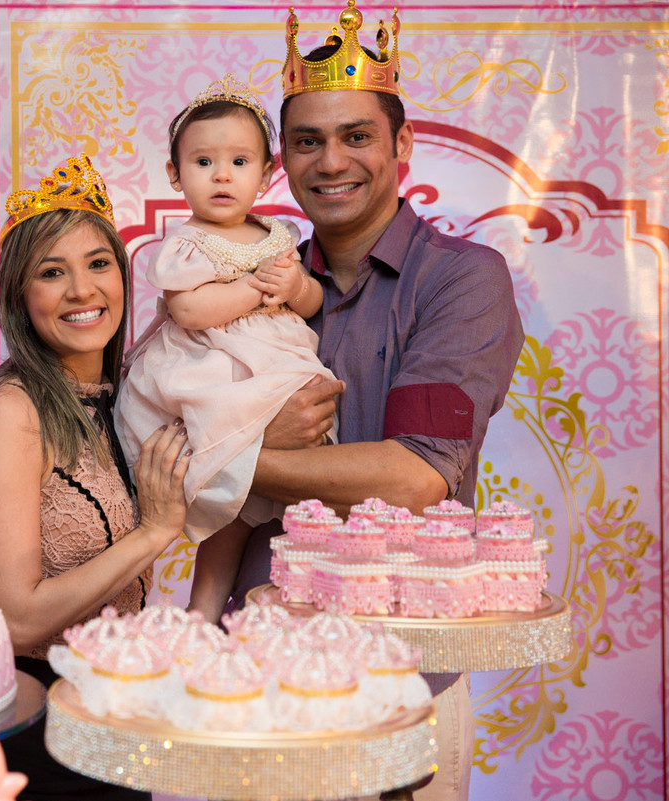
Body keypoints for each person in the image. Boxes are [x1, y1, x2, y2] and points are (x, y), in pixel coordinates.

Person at [231, 4, 525, 800]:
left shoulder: (462, 280)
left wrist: (236, 460)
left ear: (402, 144)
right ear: (282, 160)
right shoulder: (249, 290)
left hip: (404, 679)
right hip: (264, 668)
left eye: (356, 135)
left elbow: (415, 477)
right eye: (307, 141)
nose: (331, 161)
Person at [0, 154, 191, 800]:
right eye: (52, 272)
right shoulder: (10, 413)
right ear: (20, 298)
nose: (83, 290)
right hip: (37, 737)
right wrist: (152, 533)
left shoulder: (127, 396)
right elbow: (18, 618)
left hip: (116, 721)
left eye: (98, 263)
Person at [113, 74, 336, 623]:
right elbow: (189, 310)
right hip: (212, 369)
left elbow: (311, 301)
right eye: (203, 162)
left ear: (266, 174)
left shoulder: (277, 235)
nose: (222, 175)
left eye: (239, 162)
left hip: (273, 364)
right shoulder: (188, 242)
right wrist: (255, 288)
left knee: (269, 498)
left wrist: (294, 286)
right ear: (175, 174)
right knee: (229, 502)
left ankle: (302, 593)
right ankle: (202, 609)